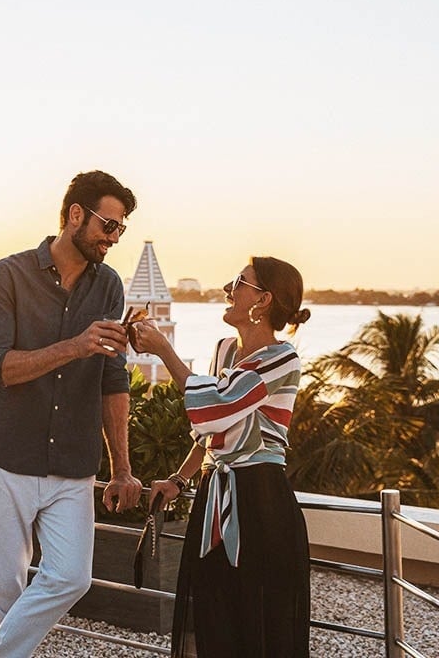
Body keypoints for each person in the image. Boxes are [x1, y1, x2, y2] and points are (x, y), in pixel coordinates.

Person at [0, 170, 144, 657]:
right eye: (108, 226)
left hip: (73, 460)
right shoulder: (9, 273)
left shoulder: (109, 285)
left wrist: (123, 468)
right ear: (75, 216)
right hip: (7, 453)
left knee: (71, 577)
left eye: (120, 230)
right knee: (4, 588)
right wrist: (73, 346)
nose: (113, 238)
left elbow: (113, 379)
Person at [130, 257, 312, 658]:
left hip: (261, 503)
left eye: (239, 282)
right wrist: (179, 480)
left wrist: (163, 349)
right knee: (214, 617)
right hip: (216, 494)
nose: (229, 289)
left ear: (262, 300)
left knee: (256, 624)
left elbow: (216, 405)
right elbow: (209, 431)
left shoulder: (282, 360)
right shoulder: (224, 350)